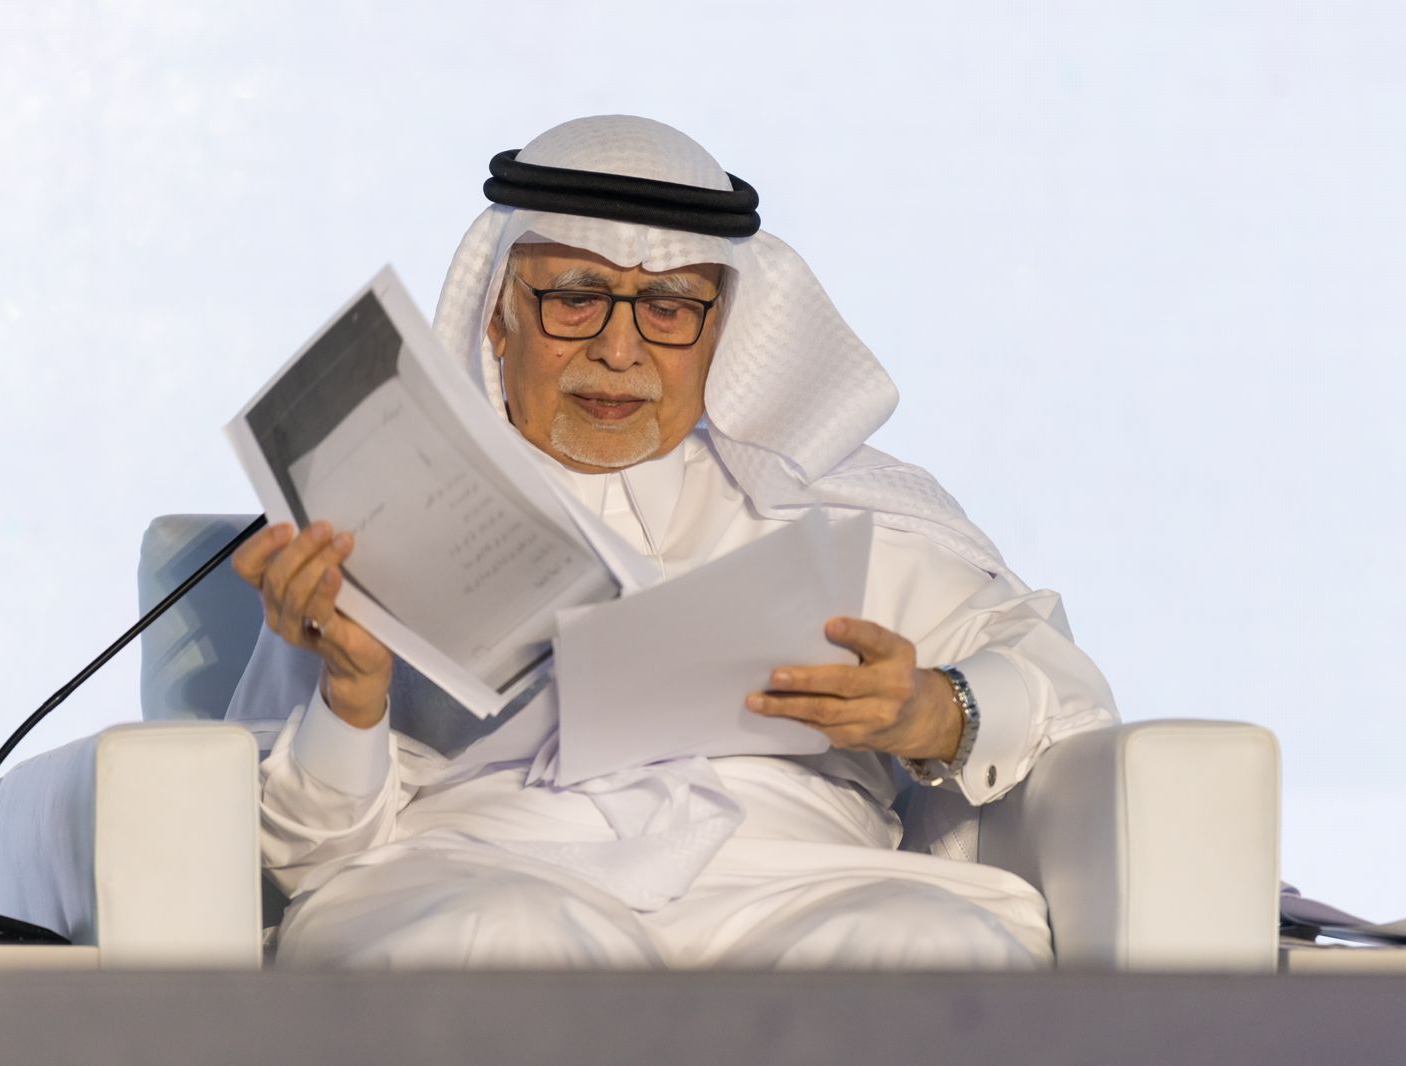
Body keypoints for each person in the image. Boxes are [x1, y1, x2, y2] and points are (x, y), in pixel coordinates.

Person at [226, 115, 1119, 970]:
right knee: (492, 941)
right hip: (482, 865)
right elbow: (298, 856)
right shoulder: (382, 517)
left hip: (794, 879)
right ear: (499, 316)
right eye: (576, 299)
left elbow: (1065, 691)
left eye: (668, 307)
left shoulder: (839, 504)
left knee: (925, 947)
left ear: (722, 330)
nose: (619, 350)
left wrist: (935, 711)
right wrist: (352, 697)